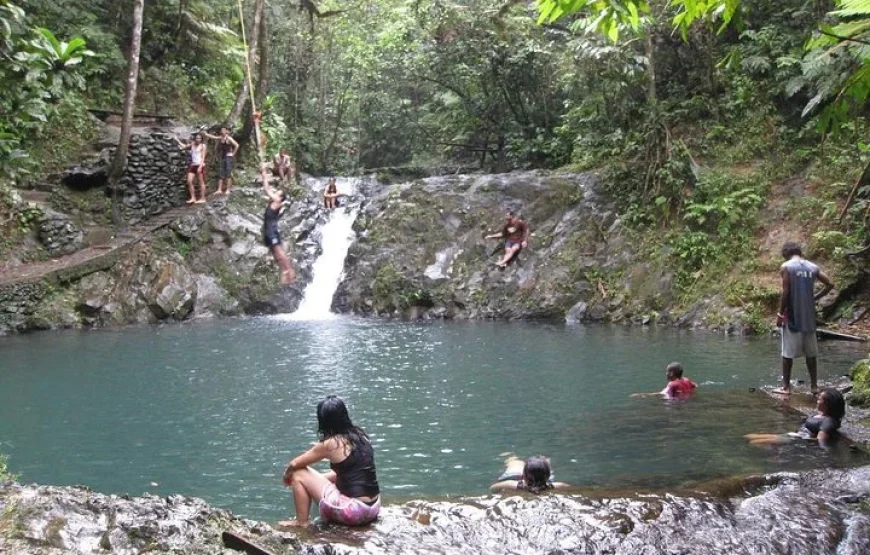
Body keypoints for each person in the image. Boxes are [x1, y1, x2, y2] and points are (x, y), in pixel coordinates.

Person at [280, 396, 380, 527]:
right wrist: (312, 483)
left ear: (323, 421)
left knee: (298, 473)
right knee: (331, 475)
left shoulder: (331, 444)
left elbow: (294, 464)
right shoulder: (361, 436)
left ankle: (301, 522)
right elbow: (343, 475)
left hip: (354, 513)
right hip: (373, 508)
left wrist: (287, 477)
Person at [774, 242, 835, 395]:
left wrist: (780, 315)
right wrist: (814, 298)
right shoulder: (813, 267)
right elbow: (830, 284)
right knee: (811, 353)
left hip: (792, 316)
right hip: (809, 318)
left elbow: (786, 293)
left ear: (786, 253)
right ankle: (814, 386)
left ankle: (786, 388)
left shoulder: (786, 267)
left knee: (787, 353)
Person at [744, 387, 845, 448]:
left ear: (827, 404)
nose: (817, 401)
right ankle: (774, 450)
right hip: (792, 435)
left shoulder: (828, 422)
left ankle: (775, 451)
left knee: (755, 442)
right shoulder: (821, 414)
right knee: (748, 436)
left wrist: (800, 441)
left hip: (795, 440)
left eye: (819, 399)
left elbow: (820, 440)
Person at [261, 166, 296, 285]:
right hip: (268, 230)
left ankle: (289, 270)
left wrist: (264, 174)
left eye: (278, 193)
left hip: (271, 230)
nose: (276, 192)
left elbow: (267, 189)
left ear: (279, 198)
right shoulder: (274, 202)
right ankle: (285, 271)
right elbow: (267, 192)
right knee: (275, 253)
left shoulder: (277, 201)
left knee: (278, 250)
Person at [490, 455, 570, 493]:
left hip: (514, 477)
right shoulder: (558, 486)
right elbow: (570, 488)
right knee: (544, 463)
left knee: (515, 461)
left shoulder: (511, 485)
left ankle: (511, 457)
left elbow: (492, 488)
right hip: (543, 478)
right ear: (548, 476)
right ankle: (544, 460)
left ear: (523, 475)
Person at [203, 127, 239, 195]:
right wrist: (206, 134)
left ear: (226, 131)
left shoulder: (229, 138)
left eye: (223, 130)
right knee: (221, 173)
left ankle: (228, 189)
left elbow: (237, 145)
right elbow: (213, 137)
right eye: (221, 130)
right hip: (222, 157)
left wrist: (232, 154)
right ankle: (219, 189)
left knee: (228, 173)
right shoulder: (221, 137)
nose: (222, 131)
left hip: (228, 158)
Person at [631, 362, 697, 398]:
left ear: (671, 373)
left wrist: (643, 395)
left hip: (676, 404)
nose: (666, 373)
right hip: (686, 400)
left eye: (667, 371)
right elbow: (695, 385)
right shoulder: (686, 380)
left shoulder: (672, 384)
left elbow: (661, 394)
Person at [175, 133, 207, 204]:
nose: (198, 139)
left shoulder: (203, 146)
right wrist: (177, 140)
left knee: (201, 182)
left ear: (201, 139)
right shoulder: (192, 144)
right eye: (197, 138)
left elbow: (203, 157)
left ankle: (203, 198)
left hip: (200, 165)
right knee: (189, 181)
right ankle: (193, 198)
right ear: (195, 139)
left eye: (200, 138)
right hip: (193, 165)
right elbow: (184, 147)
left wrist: (200, 167)